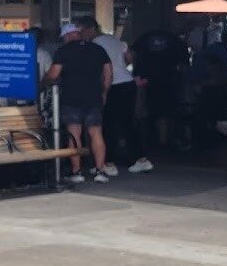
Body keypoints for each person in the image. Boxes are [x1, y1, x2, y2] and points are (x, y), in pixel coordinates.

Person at [79, 15, 150, 173]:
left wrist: (103, 89)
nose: (81, 35)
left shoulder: (95, 45)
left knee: (109, 124)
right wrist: (122, 65)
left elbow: (100, 69)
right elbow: (130, 57)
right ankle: (140, 158)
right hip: (127, 82)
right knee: (127, 122)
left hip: (113, 85)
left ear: (90, 29)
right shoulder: (114, 40)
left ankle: (109, 162)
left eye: (82, 31)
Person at [45, 22, 113, 182]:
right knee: (96, 133)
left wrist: (45, 80)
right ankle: (100, 170)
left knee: (74, 135)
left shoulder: (63, 51)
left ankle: (77, 172)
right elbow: (108, 74)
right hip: (93, 98)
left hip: (71, 98)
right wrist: (104, 92)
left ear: (67, 36)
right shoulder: (98, 49)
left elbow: (53, 75)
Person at [130, 22, 189, 153]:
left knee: (146, 111)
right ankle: (165, 141)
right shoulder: (176, 41)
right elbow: (184, 65)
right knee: (167, 112)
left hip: (145, 80)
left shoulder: (144, 38)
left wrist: (136, 73)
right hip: (168, 80)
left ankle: (149, 140)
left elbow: (132, 55)